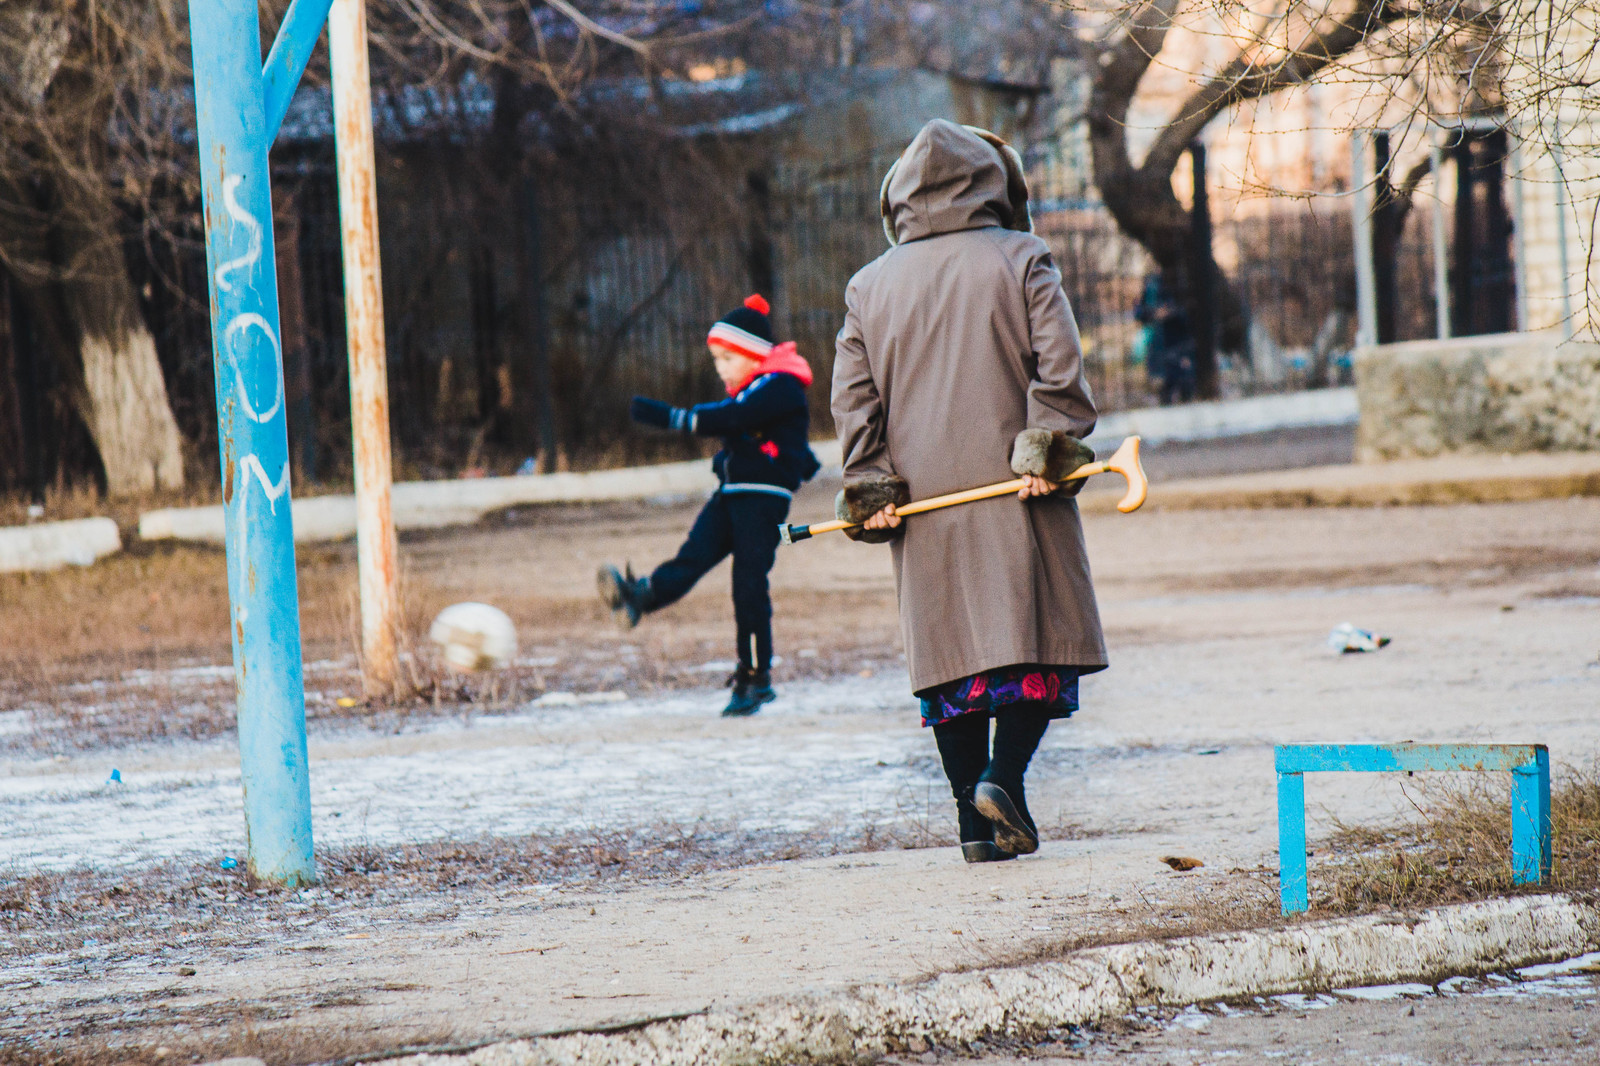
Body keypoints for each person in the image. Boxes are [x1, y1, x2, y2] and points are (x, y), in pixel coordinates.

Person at [832, 120, 1107, 862]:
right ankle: (1004, 778)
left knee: (951, 655)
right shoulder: (1021, 258)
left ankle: (972, 825)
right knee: (1036, 642)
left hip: (924, 505)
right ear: (996, 183)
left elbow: (854, 402)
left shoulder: (868, 286)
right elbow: (1061, 366)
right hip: (1016, 489)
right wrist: (1044, 445)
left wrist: (869, 483)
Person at [598, 294, 820, 717]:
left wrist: (673, 418)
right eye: (716, 359)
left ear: (753, 354)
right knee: (693, 554)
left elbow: (736, 418)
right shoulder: (756, 387)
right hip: (733, 493)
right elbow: (749, 429)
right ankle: (641, 596)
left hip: (763, 499)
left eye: (725, 358)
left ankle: (756, 678)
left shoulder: (780, 384)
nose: (720, 368)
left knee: (748, 585)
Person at [1134, 273, 1196, 405]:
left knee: (1183, 381)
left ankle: (1185, 403)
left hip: (1176, 344)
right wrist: (1154, 314)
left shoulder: (1176, 289)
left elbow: (1185, 317)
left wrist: (1170, 312)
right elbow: (1140, 313)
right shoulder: (1149, 293)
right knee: (1164, 383)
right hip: (1158, 345)